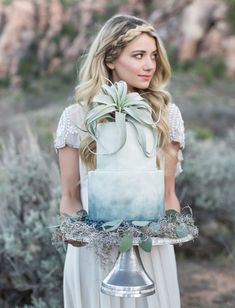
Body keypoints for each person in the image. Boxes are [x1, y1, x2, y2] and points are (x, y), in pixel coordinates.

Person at [54, 14, 185, 308]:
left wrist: (170, 233)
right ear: (110, 59)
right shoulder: (76, 118)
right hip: (93, 253)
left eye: (153, 55)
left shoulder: (166, 115)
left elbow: (167, 195)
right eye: (138, 56)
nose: (150, 65)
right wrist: (77, 235)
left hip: (151, 253)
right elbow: (70, 197)